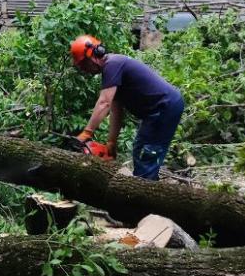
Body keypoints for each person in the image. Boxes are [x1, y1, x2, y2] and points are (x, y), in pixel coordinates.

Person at [70, 35, 184, 181]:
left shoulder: (112, 64)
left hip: (165, 107)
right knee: (140, 148)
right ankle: (144, 187)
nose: (84, 70)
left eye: (84, 65)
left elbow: (104, 103)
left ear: (93, 55)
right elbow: (116, 110)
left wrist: (87, 133)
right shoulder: (112, 71)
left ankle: (145, 193)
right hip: (160, 110)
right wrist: (111, 142)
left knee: (146, 152)